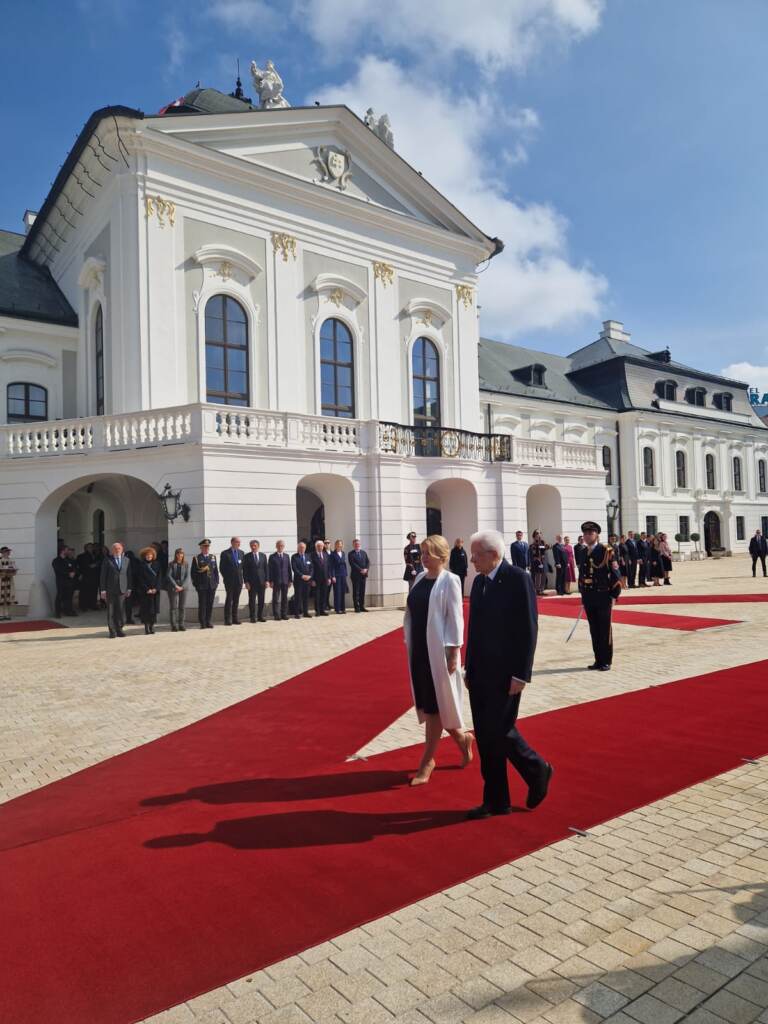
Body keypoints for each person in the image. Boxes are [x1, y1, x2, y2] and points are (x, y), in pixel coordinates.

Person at [464, 529, 552, 818]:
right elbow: (475, 630)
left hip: (506, 674)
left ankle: (537, 769)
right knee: (485, 736)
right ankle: (496, 800)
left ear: (493, 554)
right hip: (480, 673)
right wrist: (469, 667)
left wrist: (521, 674)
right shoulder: (479, 582)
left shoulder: (518, 579)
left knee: (500, 731)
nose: (472, 560)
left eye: (476, 555)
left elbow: (528, 628)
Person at [403, 534, 474, 785]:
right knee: (432, 704)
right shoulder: (420, 579)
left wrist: (454, 652)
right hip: (419, 651)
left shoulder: (450, 580)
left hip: (439, 652)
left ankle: (427, 761)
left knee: (435, 706)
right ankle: (463, 739)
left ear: (441, 556)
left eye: (428, 553)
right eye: (422, 553)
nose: (423, 557)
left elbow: (456, 618)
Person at [578, 521, 622, 671]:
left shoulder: (606, 550)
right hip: (589, 596)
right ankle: (598, 659)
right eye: (585, 533)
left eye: (590, 533)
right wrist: (583, 595)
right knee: (594, 630)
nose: (587, 536)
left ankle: (606, 660)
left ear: (597, 535)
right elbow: (582, 575)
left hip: (603, 595)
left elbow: (615, 574)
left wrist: (614, 595)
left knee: (604, 629)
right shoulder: (583, 551)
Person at [99, 542, 132, 638]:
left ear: (122, 550)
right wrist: (103, 590)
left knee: (120, 610)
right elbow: (103, 575)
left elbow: (129, 575)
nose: (117, 550)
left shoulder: (127, 560)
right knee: (111, 611)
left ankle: (119, 629)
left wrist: (129, 588)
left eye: (119, 549)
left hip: (122, 589)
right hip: (110, 590)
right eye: (115, 549)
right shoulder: (107, 560)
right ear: (112, 550)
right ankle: (112, 631)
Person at [191, 539, 219, 629]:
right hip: (202, 585)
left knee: (210, 604)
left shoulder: (213, 557)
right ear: (201, 548)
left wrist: (216, 582)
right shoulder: (197, 558)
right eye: (204, 547)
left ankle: (208, 621)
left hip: (212, 585)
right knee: (202, 604)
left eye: (207, 547)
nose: (206, 548)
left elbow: (215, 571)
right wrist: (196, 585)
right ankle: (202, 622)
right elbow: (193, 573)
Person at [135, 546, 161, 634]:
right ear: (144, 556)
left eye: (150, 555)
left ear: (153, 555)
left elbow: (159, 577)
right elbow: (140, 579)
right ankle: (146, 627)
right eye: (147, 555)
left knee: (154, 610)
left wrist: (156, 588)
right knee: (145, 610)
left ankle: (152, 626)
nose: (149, 556)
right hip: (145, 591)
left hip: (155, 591)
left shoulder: (157, 564)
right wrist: (147, 589)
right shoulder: (141, 565)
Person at [220, 536, 244, 625]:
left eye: (239, 542)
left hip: (239, 581)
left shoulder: (241, 553)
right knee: (229, 600)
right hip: (229, 581)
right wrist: (226, 578)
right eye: (237, 542)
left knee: (236, 600)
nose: (239, 544)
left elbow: (242, 567)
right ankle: (227, 619)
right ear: (232, 542)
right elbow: (222, 568)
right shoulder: (225, 553)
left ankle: (235, 618)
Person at [243, 539, 267, 621]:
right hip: (251, 583)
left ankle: (260, 616)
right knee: (252, 600)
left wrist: (267, 580)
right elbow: (245, 570)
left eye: (255, 546)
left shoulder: (263, 556)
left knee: (261, 600)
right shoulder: (246, 556)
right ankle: (252, 617)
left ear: (258, 546)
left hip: (262, 582)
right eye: (252, 546)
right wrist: (246, 582)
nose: (253, 547)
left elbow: (266, 569)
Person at [165, 547, 188, 631]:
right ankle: (174, 625)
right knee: (173, 607)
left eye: (181, 553)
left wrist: (182, 586)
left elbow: (187, 577)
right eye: (178, 553)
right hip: (173, 587)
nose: (180, 555)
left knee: (182, 606)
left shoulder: (186, 564)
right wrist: (176, 586)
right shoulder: (171, 564)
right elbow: (168, 575)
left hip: (183, 587)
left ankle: (181, 624)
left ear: (183, 555)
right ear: (176, 555)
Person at [268, 540, 291, 620]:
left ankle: (284, 614)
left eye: (282, 546)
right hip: (276, 581)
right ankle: (276, 615)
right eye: (279, 545)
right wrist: (270, 581)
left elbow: (289, 569)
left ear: (283, 547)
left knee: (284, 599)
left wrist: (290, 580)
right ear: (276, 546)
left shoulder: (287, 556)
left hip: (285, 580)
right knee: (275, 599)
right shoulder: (272, 556)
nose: (280, 547)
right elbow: (270, 569)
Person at [52, 546, 78, 617]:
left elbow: (73, 567)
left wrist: (73, 572)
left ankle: (68, 611)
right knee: (60, 596)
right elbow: (58, 570)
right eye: (67, 550)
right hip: (61, 581)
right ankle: (57, 613)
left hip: (69, 581)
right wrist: (68, 574)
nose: (68, 551)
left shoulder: (68, 560)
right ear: (62, 551)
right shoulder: (56, 561)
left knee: (68, 597)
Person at [291, 541, 314, 618]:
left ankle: (305, 612)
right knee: (298, 597)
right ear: (298, 548)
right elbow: (294, 568)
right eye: (300, 547)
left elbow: (311, 567)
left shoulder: (308, 556)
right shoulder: (294, 557)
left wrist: (310, 576)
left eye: (303, 547)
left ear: (305, 548)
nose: (302, 549)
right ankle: (297, 613)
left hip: (307, 580)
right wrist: (302, 576)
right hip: (299, 580)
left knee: (306, 597)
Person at [76, 543, 101, 611]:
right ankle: (83, 606)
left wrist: (95, 565)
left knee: (93, 591)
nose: (91, 548)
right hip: (86, 576)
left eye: (92, 547)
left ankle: (93, 605)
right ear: (86, 548)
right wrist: (80, 574)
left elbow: (99, 563)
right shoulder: (81, 556)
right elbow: (80, 566)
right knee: (84, 592)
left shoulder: (96, 555)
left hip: (95, 576)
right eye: (89, 547)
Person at [348, 539, 370, 612]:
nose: (357, 545)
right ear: (353, 545)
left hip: (363, 576)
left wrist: (366, 569)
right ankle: (356, 607)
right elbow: (352, 564)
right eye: (355, 544)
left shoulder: (363, 553)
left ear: (360, 544)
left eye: (358, 544)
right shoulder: (351, 554)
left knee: (362, 592)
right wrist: (361, 570)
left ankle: (362, 606)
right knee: (356, 592)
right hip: (355, 576)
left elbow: (368, 562)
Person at [311, 540, 331, 616]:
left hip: (325, 578)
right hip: (316, 579)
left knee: (324, 595)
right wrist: (312, 579)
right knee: (317, 595)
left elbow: (328, 567)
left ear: (323, 547)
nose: (320, 547)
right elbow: (311, 568)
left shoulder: (325, 554)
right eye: (318, 546)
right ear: (316, 547)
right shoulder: (312, 555)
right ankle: (318, 611)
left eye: (321, 546)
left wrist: (329, 577)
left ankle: (322, 610)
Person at [329, 539, 348, 614]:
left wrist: (345, 574)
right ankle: (337, 609)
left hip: (343, 575)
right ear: (335, 545)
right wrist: (333, 576)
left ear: (342, 545)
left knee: (342, 592)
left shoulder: (343, 553)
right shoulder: (332, 554)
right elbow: (331, 566)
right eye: (338, 544)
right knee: (337, 592)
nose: (339, 546)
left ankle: (343, 608)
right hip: (336, 575)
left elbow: (344, 564)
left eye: (340, 545)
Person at [0, 546, 17, 621]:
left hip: (9, 581)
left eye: (8, 551)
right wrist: (3, 573)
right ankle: (1, 614)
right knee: (1, 597)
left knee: (8, 597)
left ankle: (7, 614)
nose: (8, 553)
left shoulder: (11, 561)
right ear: (2, 553)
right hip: (1, 581)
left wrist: (11, 572)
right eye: (6, 551)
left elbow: (14, 570)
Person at [529, 531, 549, 595]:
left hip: (543, 562)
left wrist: (546, 546)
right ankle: (537, 590)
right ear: (534, 536)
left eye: (540, 533)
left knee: (544, 576)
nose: (538, 534)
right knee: (538, 576)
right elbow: (533, 553)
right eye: (537, 533)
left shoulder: (543, 543)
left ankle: (542, 590)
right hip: (537, 562)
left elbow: (548, 547)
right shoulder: (533, 545)